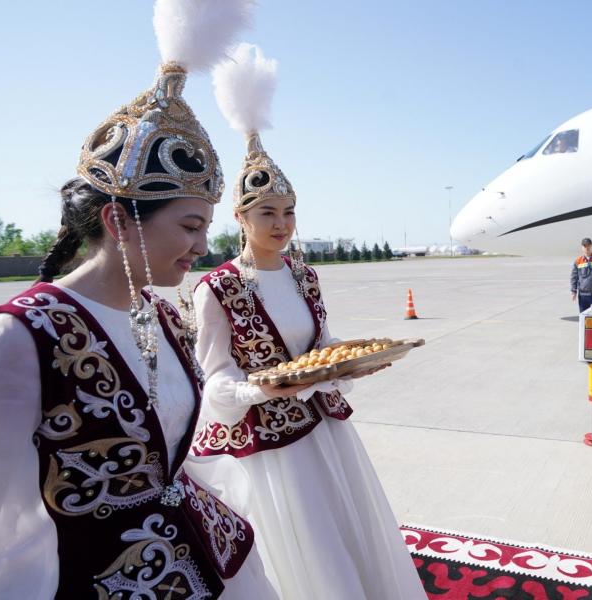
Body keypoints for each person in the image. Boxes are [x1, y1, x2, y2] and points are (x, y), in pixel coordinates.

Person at [0, 2, 278, 597]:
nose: (204, 245)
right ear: (118, 221)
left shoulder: (160, 314)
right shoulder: (19, 339)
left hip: (205, 556)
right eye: (190, 225)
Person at [189, 43, 426, 599]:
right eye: (267, 213)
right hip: (271, 452)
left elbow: (321, 345)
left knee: (350, 547)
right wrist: (263, 388)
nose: (282, 224)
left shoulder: (304, 276)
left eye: (289, 211)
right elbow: (214, 384)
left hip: (323, 432)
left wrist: (348, 364)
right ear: (241, 218)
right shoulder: (217, 288)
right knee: (308, 561)